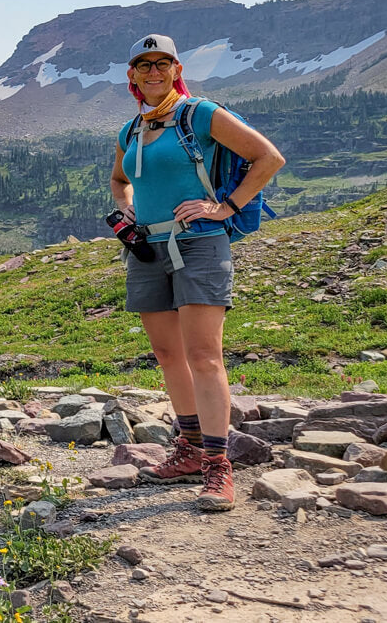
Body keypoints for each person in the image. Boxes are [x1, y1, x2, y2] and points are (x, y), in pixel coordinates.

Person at [109, 34, 284, 511]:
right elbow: (120, 180)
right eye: (143, 65)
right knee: (168, 354)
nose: (153, 72)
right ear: (132, 75)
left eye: (162, 63)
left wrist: (224, 207)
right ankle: (186, 449)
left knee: (204, 355)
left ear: (176, 68)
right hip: (147, 250)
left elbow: (268, 157)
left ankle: (217, 464)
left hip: (200, 244)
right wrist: (126, 213)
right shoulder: (132, 129)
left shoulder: (199, 114)